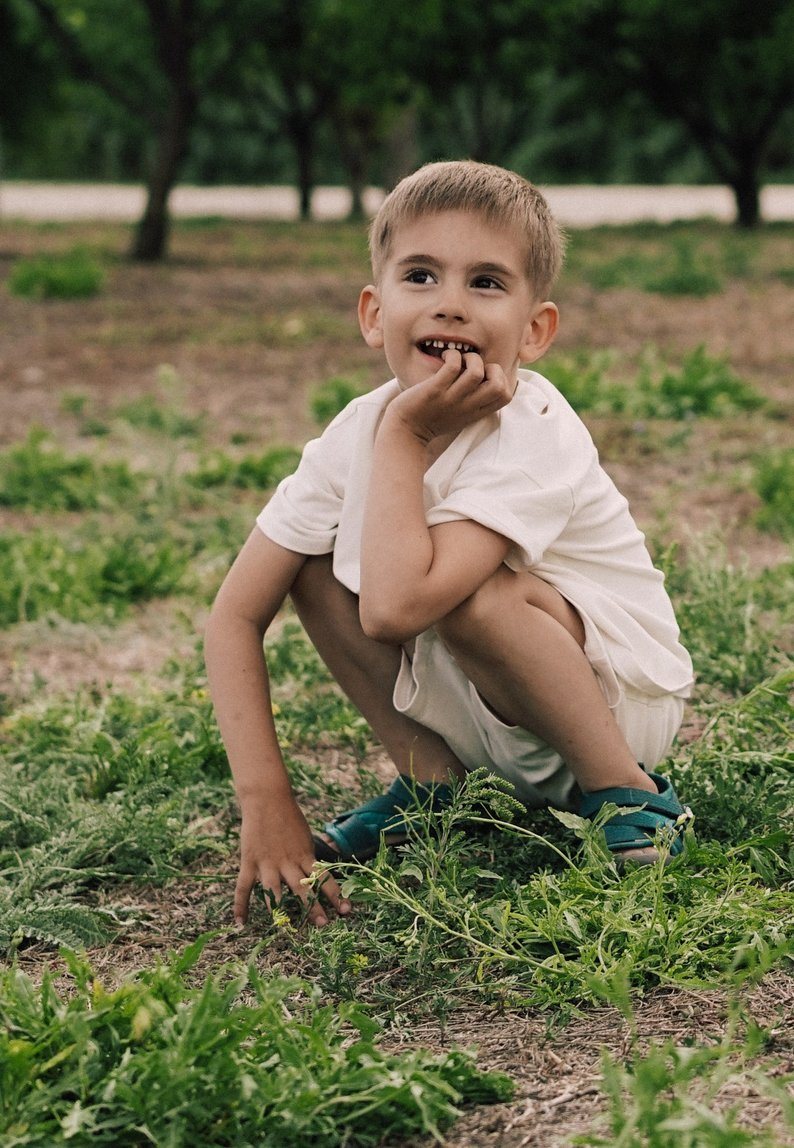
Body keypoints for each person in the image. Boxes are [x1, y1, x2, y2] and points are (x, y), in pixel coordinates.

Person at [203, 160, 696, 927]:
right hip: (486, 703)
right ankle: (440, 790)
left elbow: (399, 608)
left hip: (612, 699)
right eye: (422, 275)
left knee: (471, 596)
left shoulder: (533, 430)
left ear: (535, 331)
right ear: (374, 312)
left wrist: (407, 432)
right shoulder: (354, 434)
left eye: (488, 283)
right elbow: (234, 616)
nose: (452, 305)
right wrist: (267, 803)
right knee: (304, 563)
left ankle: (627, 794)